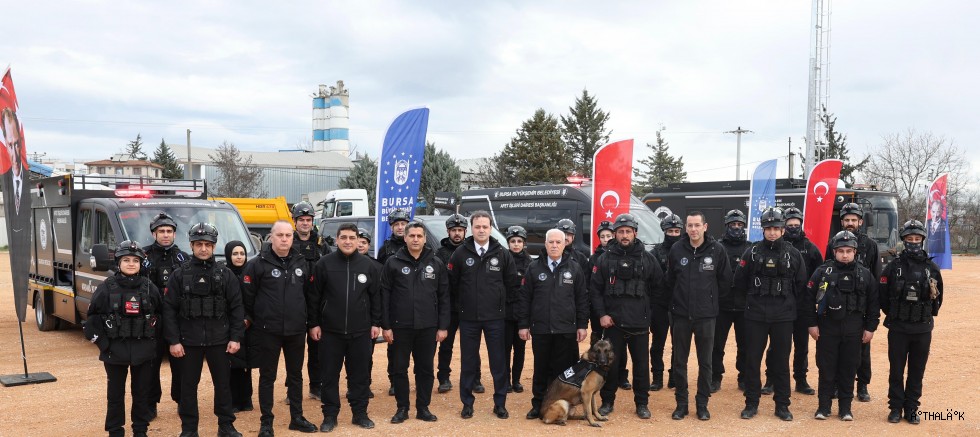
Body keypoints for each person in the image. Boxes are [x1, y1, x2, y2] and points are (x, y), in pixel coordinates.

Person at [163, 223, 244, 437]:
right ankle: (189, 429)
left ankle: (226, 426)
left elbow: (237, 308)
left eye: (208, 244)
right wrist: (174, 341)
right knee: (188, 388)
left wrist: (235, 337)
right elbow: (169, 310)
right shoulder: (179, 275)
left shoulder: (225, 274)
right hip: (188, 342)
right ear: (191, 245)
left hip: (220, 340)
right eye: (199, 244)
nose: (203, 248)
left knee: (223, 386)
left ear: (214, 246)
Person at [242, 221, 318, 435]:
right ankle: (266, 422)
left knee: (295, 375)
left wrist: (310, 322)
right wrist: (257, 319)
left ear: (292, 238)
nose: (284, 239)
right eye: (280, 235)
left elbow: (309, 296)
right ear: (271, 237)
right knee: (268, 376)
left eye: (288, 235)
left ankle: (297, 417)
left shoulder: (302, 262)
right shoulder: (257, 264)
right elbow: (248, 297)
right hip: (268, 330)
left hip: (296, 330)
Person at [732, 208, 808, 421]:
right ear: (763, 230)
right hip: (755, 316)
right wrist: (749, 305)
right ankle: (751, 403)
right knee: (752, 361)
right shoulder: (752, 252)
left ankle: (782, 405)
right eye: (768, 228)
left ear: (783, 230)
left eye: (776, 228)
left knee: (781, 362)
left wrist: (792, 309)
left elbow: (801, 285)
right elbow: (739, 282)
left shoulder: (793, 254)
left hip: (783, 316)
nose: (772, 232)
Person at [307, 223, 382, 432]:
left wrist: (375, 322)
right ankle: (330, 416)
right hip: (330, 332)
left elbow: (376, 297)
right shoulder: (324, 264)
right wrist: (314, 323)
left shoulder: (368, 266)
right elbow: (313, 297)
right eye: (344, 238)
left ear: (358, 240)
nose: (348, 242)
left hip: (361, 331)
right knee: (329, 376)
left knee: (359, 376)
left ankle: (360, 414)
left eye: (352, 238)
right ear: (337, 240)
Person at [447, 211, 520, 420]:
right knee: (468, 363)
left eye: (485, 227)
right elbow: (452, 284)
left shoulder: (502, 253)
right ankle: (467, 404)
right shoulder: (460, 253)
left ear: (490, 229)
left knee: (498, 363)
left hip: (495, 319)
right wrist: (462, 306)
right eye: (477, 227)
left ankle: (500, 404)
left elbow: (512, 284)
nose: (481, 230)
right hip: (468, 319)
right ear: (472, 228)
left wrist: (500, 306)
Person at [85, 241, 161, 437]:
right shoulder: (106, 288)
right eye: (126, 260)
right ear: (118, 263)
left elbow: (161, 317)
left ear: (141, 264)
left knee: (142, 394)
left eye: (135, 260)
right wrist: (104, 345)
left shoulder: (149, 287)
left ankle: (140, 430)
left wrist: (154, 345)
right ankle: (115, 431)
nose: (131, 264)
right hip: (114, 351)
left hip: (143, 352)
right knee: (115, 396)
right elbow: (92, 320)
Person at [592, 213, 663, 419]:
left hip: (639, 324)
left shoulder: (648, 259)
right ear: (615, 234)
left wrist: (649, 313)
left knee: (641, 367)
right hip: (612, 323)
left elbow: (659, 289)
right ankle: (607, 402)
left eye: (628, 232)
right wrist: (602, 315)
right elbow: (595, 290)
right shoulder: (604, 259)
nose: (624, 235)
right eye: (621, 232)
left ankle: (642, 404)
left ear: (635, 233)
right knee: (611, 366)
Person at [805, 231, 880, 421]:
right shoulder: (822, 272)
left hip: (854, 329)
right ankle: (823, 407)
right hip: (827, 327)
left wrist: (870, 328)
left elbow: (874, 304)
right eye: (840, 251)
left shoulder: (865, 274)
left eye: (848, 251)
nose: (844, 255)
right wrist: (812, 324)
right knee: (826, 368)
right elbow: (808, 300)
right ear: (834, 251)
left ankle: (845, 409)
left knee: (849, 368)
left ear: (855, 252)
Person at [380, 221, 450, 423]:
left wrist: (443, 326)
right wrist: (386, 326)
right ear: (405, 238)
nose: (416, 239)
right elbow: (384, 295)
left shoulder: (436, 263)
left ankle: (423, 408)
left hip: (428, 327)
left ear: (425, 238)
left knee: (425, 369)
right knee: (399, 368)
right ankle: (402, 408)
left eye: (419, 236)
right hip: (400, 327)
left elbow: (444, 296)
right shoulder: (392, 262)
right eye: (412, 236)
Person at [665, 211, 732, 421]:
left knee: (706, 362)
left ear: (705, 226)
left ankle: (702, 405)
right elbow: (670, 281)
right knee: (679, 362)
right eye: (690, 225)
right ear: (685, 228)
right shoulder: (677, 249)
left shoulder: (717, 250)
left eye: (697, 225)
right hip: (681, 316)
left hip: (706, 317)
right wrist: (676, 304)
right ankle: (681, 404)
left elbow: (725, 282)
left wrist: (710, 302)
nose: (693, 229)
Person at [520, 229, 590, 420]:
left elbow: (582, 299)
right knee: (541, 370)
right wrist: (523, 324)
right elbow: (525, 298)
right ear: (545, 244)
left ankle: (565, 406)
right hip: (541, 329)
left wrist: (582, 325)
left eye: (558, 242)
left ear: (564, 244)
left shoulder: (574, 268)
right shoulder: (534, 268)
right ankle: (538, 405)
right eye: (551, 242)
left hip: (566, 330)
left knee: (565, 372)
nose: (554, 245)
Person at [879, 220, 944, 424]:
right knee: (896, 371)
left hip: (922, 329)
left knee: (917, 371)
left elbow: (938, 298)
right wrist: (896, 313)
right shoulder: (893, 266)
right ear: (903, 240)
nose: (913, 242)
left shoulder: (931, 268)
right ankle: (895, 408)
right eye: (909, 239)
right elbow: (883, 296)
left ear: (922, 240)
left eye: (917, 239)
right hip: (898, 328)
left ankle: (912, 409)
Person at [824, 203, 880, 402]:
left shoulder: (870, 245)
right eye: (846, 220)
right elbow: (826, 271)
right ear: (841, 222)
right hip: (838, 303)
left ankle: (862, 385)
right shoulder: (833, 243)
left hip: (860, 305)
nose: (850, 223)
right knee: (838, 349)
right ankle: (837, 385)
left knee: (863, 349)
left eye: (853, 220)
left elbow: (876, 278)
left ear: (860, 222)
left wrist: (873, 310)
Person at [769, 206, 823, 395]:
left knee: (801, 346)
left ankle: (801, 380)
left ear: (801, 225)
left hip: (802, 305)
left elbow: (821, 275)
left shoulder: (811, 248)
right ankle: (771, 379)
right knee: (776, 345)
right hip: (779, 304)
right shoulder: (775, 246)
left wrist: (815, 298)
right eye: (789, 225)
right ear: (783, 226)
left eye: (796, 225)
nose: (793, 228)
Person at [142, 212, 189, 417]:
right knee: (151, 364)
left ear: (175, 234)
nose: (166, 235)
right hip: (152, 319)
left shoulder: (183, 258)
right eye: (161, 231)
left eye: (169, 231)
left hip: (177, 320)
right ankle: (150, 404)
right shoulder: (143, 257)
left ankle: (182, 400)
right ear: (154, 234)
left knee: (180, 364)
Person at [436, 213, 484, 394]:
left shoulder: (472, 251)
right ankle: (444, 378)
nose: (457, 233)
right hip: (448, 306)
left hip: (468, 306)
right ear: (448, 231)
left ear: (465, 231)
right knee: (445, 344)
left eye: (460, 230)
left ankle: (475, 379)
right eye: (453, 230)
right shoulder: (440, 253)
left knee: (472, 345)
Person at [291, 201, 329, 402]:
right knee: (294, 351)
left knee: (318, 348)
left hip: (317, 303)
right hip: (294, 302)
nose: (305, 223)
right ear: (295, 221)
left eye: (308, 219)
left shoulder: (322, 244)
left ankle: (316, 386)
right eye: (301, 220)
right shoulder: (288, 242)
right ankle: (292, 390)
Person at [713, 209, 751, 394]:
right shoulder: (717, 247)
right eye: (733, 225)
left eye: (739, 225)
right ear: (726, 226)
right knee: (716, 345)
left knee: (745, 345)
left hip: (744, 306)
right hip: (722, 305)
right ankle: (715, 377)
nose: (736, 228)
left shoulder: (751, 248)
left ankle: (744, 377)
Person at [378, 208, 410, 396]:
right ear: (391, 227)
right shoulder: (385, 249)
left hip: (412, 302)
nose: (400, 227)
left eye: (403, 224)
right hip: (393, 302)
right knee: (394, 346)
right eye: (396, 224)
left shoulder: (415, 244)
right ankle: (394, 380)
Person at [650, 214, 682, 392]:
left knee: (678, 343)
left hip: (680, 304)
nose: (674, 234)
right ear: (664, 231)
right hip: (660, 304)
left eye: (677, 231)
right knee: (658, 343)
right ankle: (657, 377)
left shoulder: (686, 251)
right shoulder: (655, 252)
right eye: (670, 231)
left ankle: (674, 376)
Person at [223, 241, 255, 413]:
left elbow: (255, 299)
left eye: (242, 253)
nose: (239, 257)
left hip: (248, 325)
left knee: (246, 365)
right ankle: (234, 400)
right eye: (235, 254)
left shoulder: (250, 273)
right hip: (230, 326)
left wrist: (248, 318)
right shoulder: (224, 274)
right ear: (229, 255)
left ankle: (246, 398)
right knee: (231, 364)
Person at [504, 226, 532, 394]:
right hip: (506, 312)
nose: (516, 244)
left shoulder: (530, 263)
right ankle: (506, 380)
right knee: (505, 349)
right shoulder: (502, 259)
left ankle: (516, 380)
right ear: (508, 243)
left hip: (522, 312)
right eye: (513, 241)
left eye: (519, 241)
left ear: (524, 243)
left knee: (520, 349)